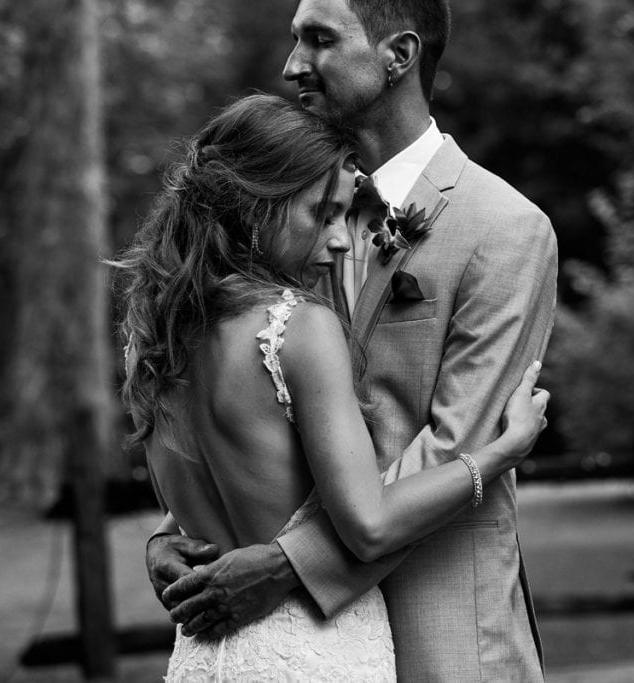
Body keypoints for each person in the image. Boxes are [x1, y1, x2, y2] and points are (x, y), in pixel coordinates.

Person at [147, 0, 559, 679]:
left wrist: (287, 561)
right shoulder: (288, 225)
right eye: (294, 40)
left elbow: (457, 440)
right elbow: (256, 409)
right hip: (306, 641)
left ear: (398, 55)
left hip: (443, 632)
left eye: (319, 40)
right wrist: (174, 532)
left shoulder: (503, 228)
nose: (292, 65)